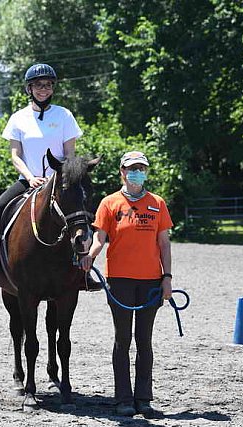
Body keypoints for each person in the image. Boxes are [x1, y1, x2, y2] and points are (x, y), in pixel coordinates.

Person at [79, 151, 173, 417]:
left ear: (146, 172)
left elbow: (164, 243)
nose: (137, 172)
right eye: (132, 168)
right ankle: (123, 398)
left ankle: (143, 398)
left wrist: (167, 278)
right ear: (122, 171)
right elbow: (99, 238)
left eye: (141, 168)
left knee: (144, 340)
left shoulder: (157, 203)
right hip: (119, 280)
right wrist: (90, 256)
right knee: (123, 339)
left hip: (151, 282)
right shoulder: (109, 203)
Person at [0, 63, 82, 283]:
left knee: (81, 215)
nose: (44, 89)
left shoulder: (64, 115)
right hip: (28, 181)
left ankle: (82, 270)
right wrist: (30, 178)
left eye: (49, 85)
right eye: (39, 85)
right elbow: (15, 155)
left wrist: (58, 178)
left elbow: (70, 154)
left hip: (58, 183)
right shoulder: (18, 118)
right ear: (29, 88)